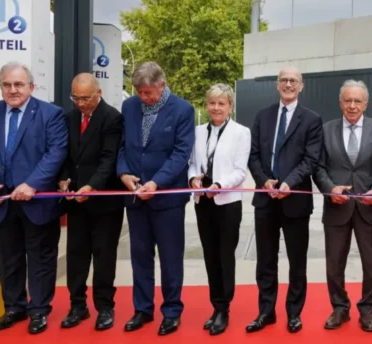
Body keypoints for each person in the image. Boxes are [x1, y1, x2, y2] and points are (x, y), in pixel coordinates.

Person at [0, 61, 68, 334]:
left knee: (41, 260)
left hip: (37, 201)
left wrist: (32, 184)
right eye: (7, 84)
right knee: (8, 259)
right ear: (0, 87)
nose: (13, 90)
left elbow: (56, 152)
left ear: (31, 87)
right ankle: (14, 308)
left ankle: (39, 311)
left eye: (19, 84)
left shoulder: (51, 114)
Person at [117, 61, 195, 336]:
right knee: (139, 255)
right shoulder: (129, 107)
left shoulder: (183, 110)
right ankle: (142, 308)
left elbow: (181, 153)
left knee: (171, 257)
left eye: (148, 92)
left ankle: (172, 311)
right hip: (136, 197)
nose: (143, 97)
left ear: (162, 85)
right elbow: (123, 146)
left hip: (167, 199)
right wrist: (124, 173)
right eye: (139, 92)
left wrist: (156, 182)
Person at [246, 66, 323, 334]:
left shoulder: (312, 120)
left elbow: (311, 160)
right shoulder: (263, 116)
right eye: (284, 80)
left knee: (296, 262)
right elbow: (253, 154)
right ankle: (266, 312)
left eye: (293, 81)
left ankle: (294, 313)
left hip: (295, 201)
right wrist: (263, 180)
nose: (288, 84)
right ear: (278, 85)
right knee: (265, 261)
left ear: (301, 86)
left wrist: (289, 182)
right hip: (266, 200)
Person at [313, 80, 372, 332]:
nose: (352, 105)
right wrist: (329, 189)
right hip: (337, 206)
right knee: (334, 263)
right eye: (347, 100)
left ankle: (368, 310)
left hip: (371, 208)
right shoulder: (325, 131)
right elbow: (318, 167)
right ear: (340, 103)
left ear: (366, 104)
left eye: (357, 101)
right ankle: (339, 308)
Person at [58, 73, 125, 331]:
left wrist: (92, 185)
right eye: (76, 98)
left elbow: (109, 159)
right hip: (76, 201)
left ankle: (105, 307)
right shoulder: (69, 117)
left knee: (104, 256)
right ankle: (77, 306)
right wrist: (64, 179)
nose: (80, 103)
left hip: (104, 201)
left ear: (99, 93)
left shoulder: (112, 118)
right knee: (76, 255)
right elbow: (63, 153)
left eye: (85, 98)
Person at [187, 84, 251, 335]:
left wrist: (219, 185)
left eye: (221, 103)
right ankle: (216, 305)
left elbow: (240, 170)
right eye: (212, 103)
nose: (216, 108)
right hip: (203, 203)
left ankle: (224, 308)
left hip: (227, 203)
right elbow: (192, 163)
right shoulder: (197, 131)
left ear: (230, 107)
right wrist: (193, 179)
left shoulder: (241, 133)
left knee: (225, 256)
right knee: (210, 256)